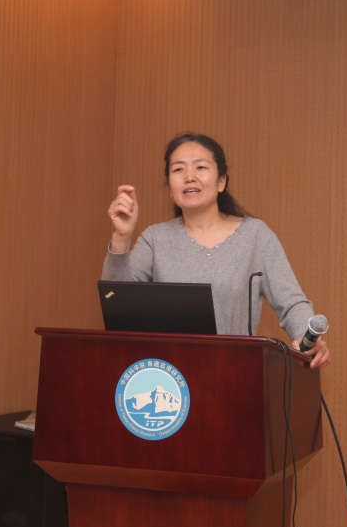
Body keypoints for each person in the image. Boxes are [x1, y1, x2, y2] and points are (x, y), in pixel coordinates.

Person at [103, 133, 330, 368]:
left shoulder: (255, 236)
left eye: (200, 167)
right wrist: (121, 236)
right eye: (178, 169)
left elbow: (292, 303)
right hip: (169, 378)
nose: (189, 177)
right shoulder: (154, 238)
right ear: (170, 188)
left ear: (221, 181)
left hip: (235, 373)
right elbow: (117, 303)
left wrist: (309, 339)